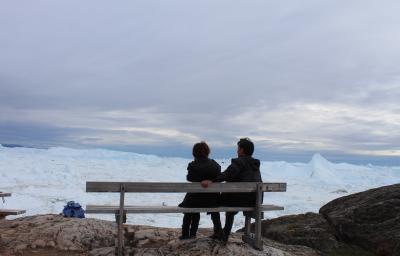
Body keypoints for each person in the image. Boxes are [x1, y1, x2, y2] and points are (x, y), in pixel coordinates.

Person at [201, 138, 262, 244]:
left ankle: (219, 232)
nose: (237, 151)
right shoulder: (255, 165)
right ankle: (224, 235)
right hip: (254, 201)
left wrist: (212, 180)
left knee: (212, 201)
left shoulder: (239, 162)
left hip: (238, 199)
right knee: (230, 210)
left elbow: (227, 174)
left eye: (238, 149)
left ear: (242, 150)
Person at [178, 141, 222, 239]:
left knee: (190, 206)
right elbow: (219, 176)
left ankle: (187, 234)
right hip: (212, 201)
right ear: (207, 152)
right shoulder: (215, 165)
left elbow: (189, 178)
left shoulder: (192, 165)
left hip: (194, 201)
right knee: (214, 208)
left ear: (194, 153)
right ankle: (218, 231)